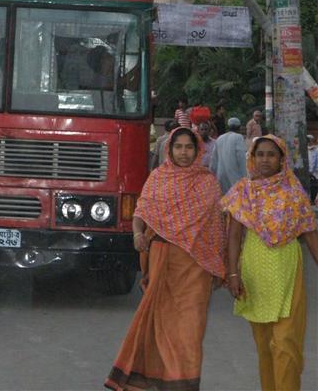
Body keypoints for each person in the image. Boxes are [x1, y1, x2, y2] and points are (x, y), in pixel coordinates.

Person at [105, 127, 225, 391]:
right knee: (157, 323)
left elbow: (217, 228)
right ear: (169, 150)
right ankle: (152, 380)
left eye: (189, 147)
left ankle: (184, 384)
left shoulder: (208, 183)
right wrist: (137, 233)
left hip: (196, 266)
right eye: (178, 147)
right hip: (162, 258)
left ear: (198, 151)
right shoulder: (158, 178)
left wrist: (219, 265)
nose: (184, 152)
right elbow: (142, 211)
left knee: (190, 329)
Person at [222, 134, 318, 391]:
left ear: (281, 159)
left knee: (286, 343)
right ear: (252, 158)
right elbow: (233, 235)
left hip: (288, 272)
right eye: (260, 154)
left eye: (271, 154)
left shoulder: (294, 191)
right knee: (264, 346)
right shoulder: (243, 191)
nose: (265, 159)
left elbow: (309, 232)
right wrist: (232, 274)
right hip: (254, 273)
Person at [209, 116, 247, 193]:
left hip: (221, 176)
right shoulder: (239, 137)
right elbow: (241, 158)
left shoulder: (220, 138)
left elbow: (214, 159)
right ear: (239, 128)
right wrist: (245, 177)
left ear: (228, 127)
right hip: (235, 176)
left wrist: (212, 174)